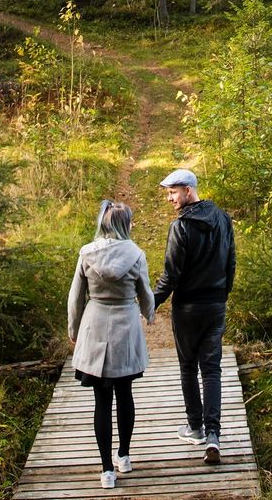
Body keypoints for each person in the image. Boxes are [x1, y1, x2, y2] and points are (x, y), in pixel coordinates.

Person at [68, 200, 155, 489]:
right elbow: (145, 294)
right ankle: (125, 456)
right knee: (125, 394)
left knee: (101, 402)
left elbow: (75, 298)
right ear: (122, 224)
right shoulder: (136, 254)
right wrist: (149, 314)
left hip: (95, 325)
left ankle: (107, 470)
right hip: (125, 327)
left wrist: (74, 329)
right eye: (130, 221)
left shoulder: (86, 253)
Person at [153, 168, 236, 465]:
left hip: (188, 308)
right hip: (215, 305)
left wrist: (151, 302)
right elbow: (231, 262)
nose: (169, 198)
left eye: (173, 192)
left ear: (188, 190)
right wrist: (222, 294)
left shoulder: (182, 227)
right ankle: (214, 435)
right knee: (212, 370)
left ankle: (195, 428)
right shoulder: (223, 219)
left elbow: (171, 274)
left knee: (188, 367)